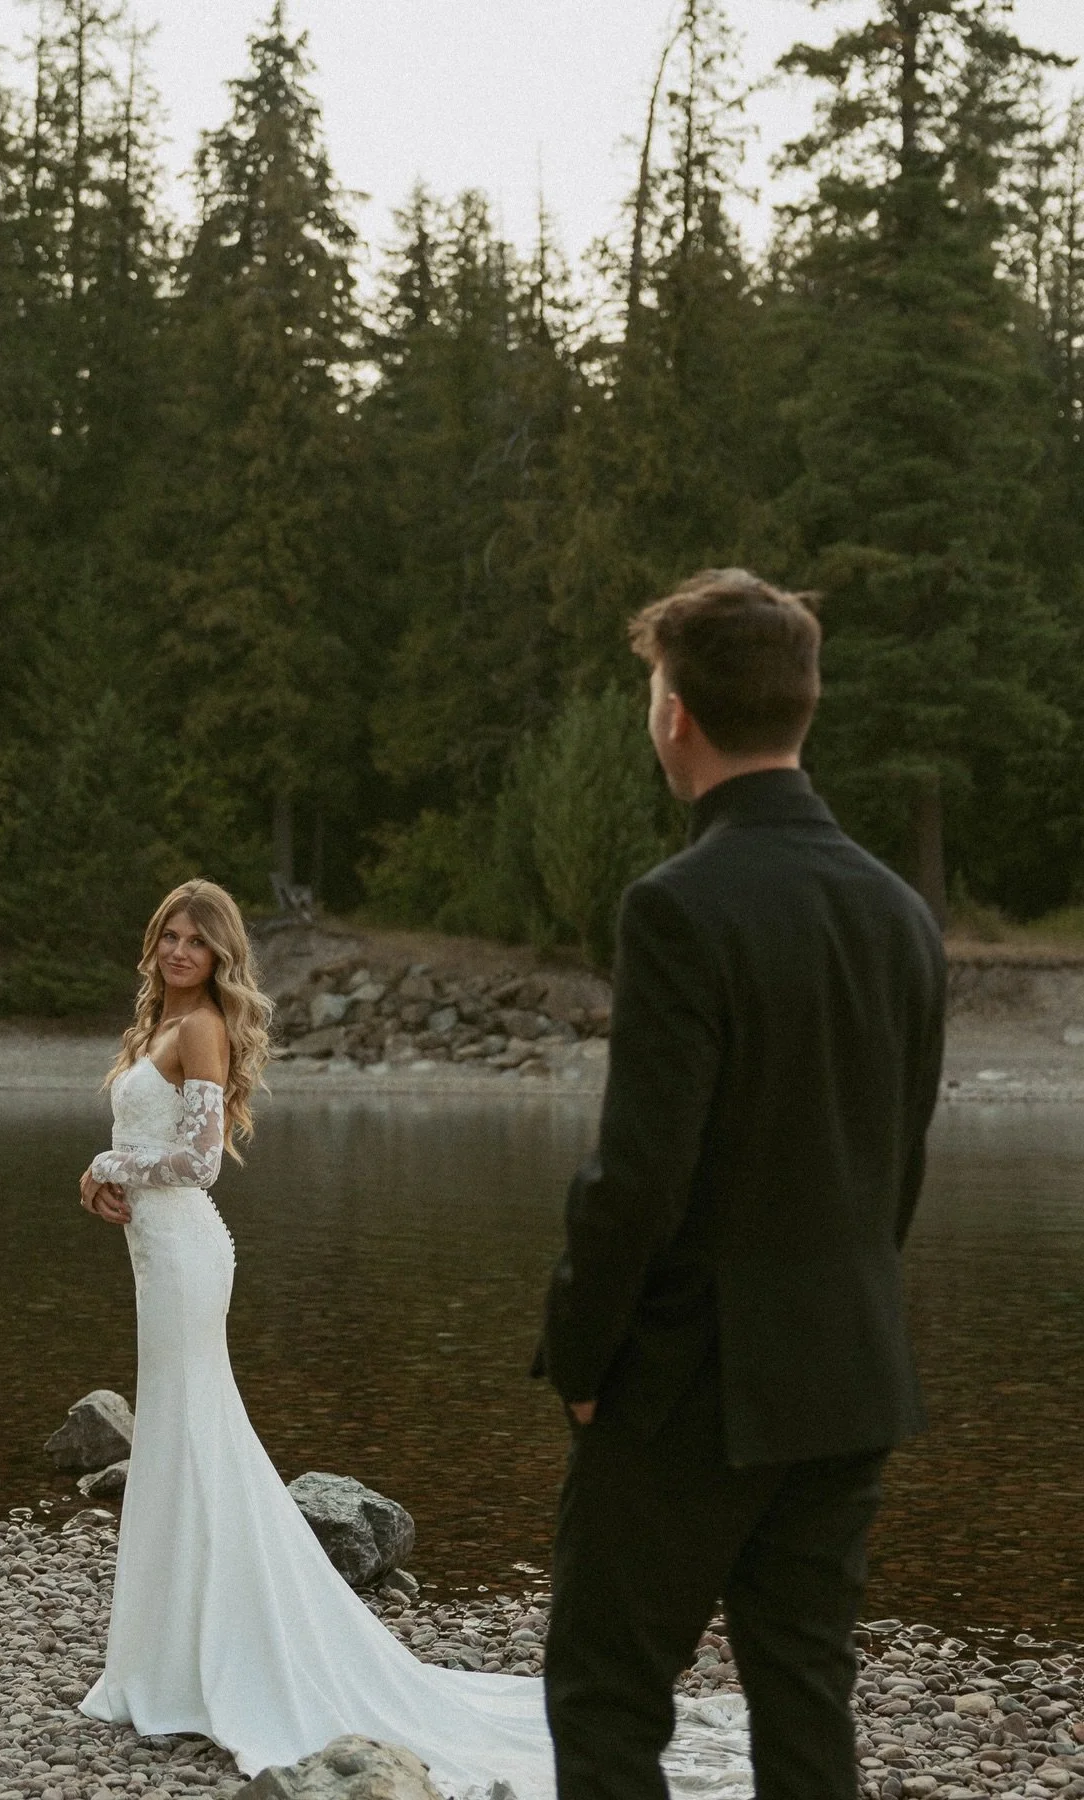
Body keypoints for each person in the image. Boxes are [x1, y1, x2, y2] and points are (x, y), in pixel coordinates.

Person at [74, 878, 755, 1798]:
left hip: (188, 1256)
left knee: (193, 1434)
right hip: (155, 1251)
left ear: (222, 954)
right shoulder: (157, 1026)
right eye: (169, 936)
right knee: (177, 1438)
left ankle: (206, 1662)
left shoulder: (200, 1030)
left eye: (197, 940)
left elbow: (197, 1164)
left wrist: (112, 1163)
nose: (180, 951)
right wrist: (102, 1178)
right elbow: (152, 1151)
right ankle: (169, 1658)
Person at [537, 570, 948, 1800]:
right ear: (803, 708)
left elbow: (638, 1179)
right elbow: (898, 1169)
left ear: (676, 715)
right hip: (850, 1371)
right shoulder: (901, 913)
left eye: (653, 691)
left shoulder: (680, 906)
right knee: (807, 1700)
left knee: (608, 1696)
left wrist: (582, 1358)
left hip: (688, 1387)